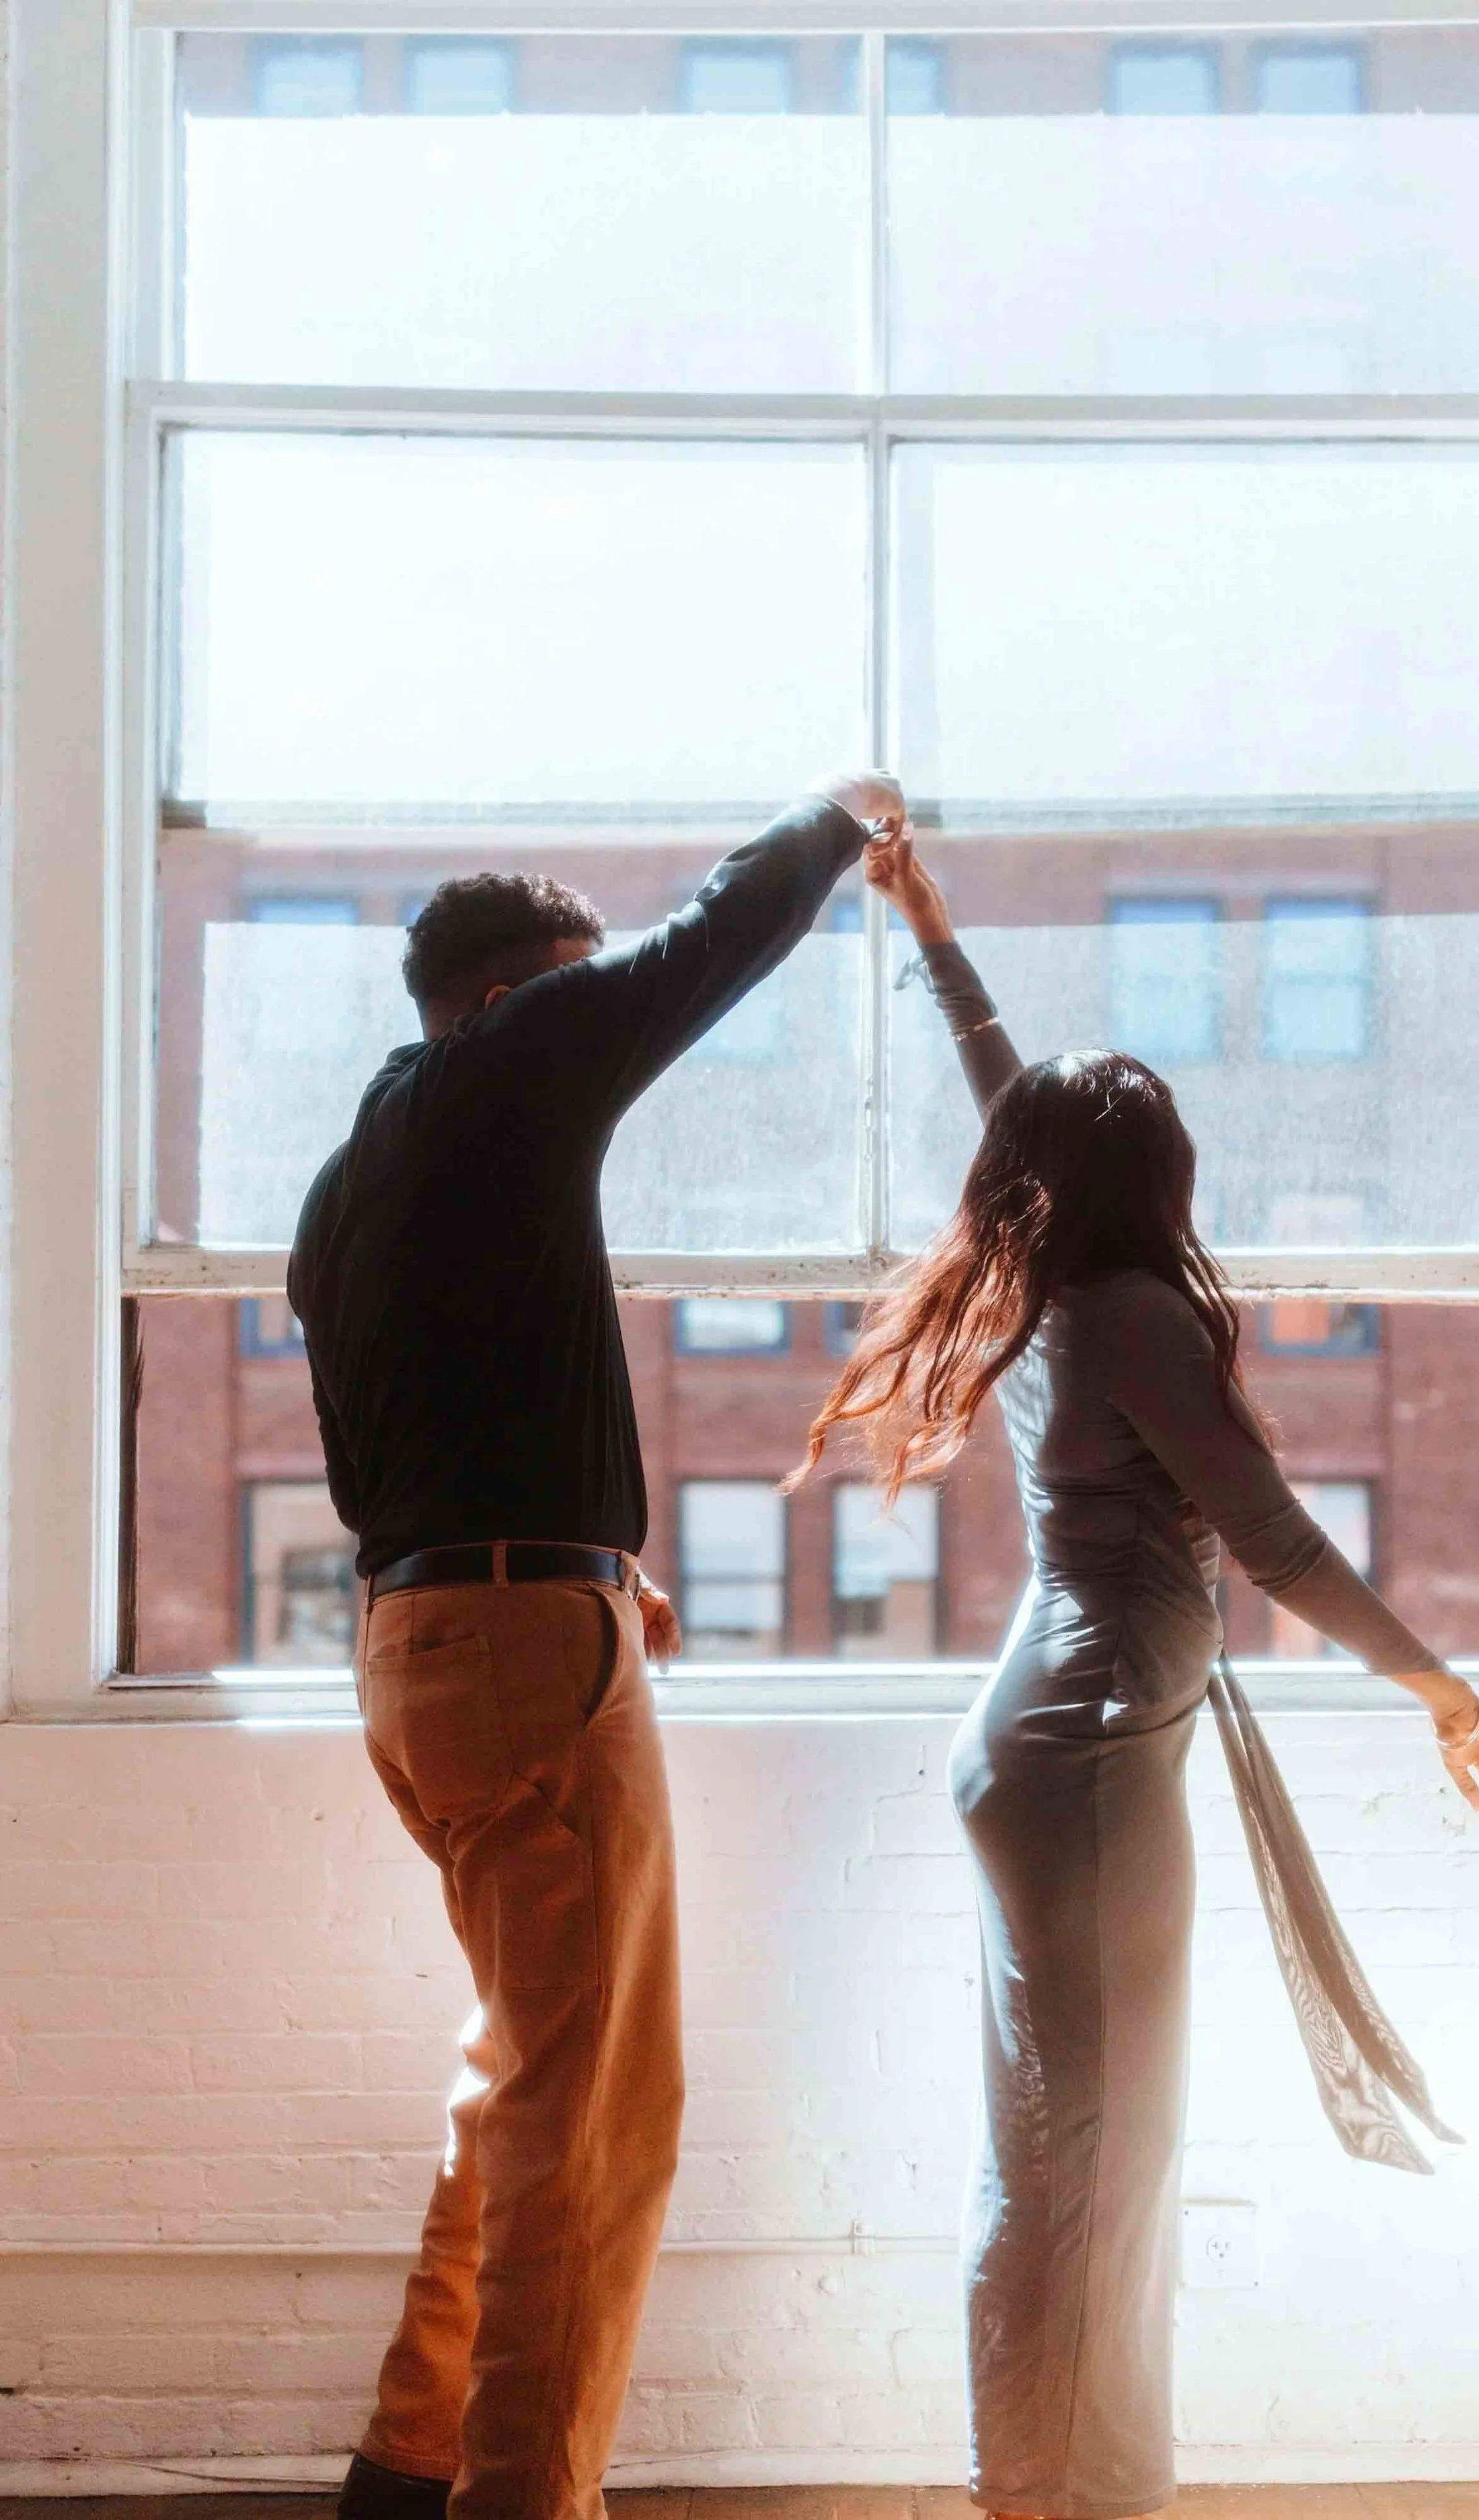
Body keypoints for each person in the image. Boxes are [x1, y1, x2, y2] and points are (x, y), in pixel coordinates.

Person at [798, 830, 1479, 2520]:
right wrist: (1446, 1690)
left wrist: (926, 927)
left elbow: (1003, 1094)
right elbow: (1270, 1540)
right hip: (1092, 1754)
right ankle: (1060, 2496)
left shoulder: (1054, 1281)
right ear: (1157, 1178)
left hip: (1055, 1745)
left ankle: (1057, 2483)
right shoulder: (1123, 1307)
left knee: (1070, 2143)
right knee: (1096, 2156)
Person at [287, 775, 905, 2520]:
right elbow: (698, 951)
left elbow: (380, 1463)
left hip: (422, 1640)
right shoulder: (508, 1067)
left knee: (523, 2079)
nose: (590, 1024)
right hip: (514, 1646)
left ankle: (410, 2463)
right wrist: (834, 822)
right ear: (505, 996)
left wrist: (576, 1556)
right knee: (599, 2123)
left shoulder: (351, 1188)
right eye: (565, 990)